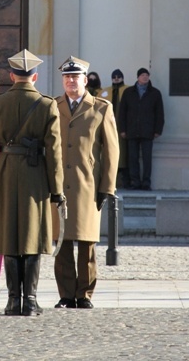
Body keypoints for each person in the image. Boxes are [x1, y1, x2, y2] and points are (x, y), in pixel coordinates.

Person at [0, 49, 64, 317]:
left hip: (5, 171)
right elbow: (54, 152)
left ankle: (12, 300)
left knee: (8, 236)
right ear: (35, 77)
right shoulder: (47, 104)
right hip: (34, 174)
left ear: (11, 76)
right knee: (33, 236)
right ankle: (30, 300)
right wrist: (57, 189)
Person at [53, 56, 119, 309]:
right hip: (59, 184)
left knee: (86, 242)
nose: (71, 81)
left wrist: (107, 187)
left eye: (75, 77)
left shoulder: (101, 108)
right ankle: (66, 294)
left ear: (85, 80)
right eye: (67, 77)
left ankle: (85, 294)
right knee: (62, 242)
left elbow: (112, 151)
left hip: (87, 184)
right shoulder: (53, 106)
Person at [118, 67, 164, 191]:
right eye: (142, 75)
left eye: (146, 75)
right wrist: (122, 129)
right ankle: (135, 182)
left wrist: (158, 130)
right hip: (131, 131)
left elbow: (160, 113)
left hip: (148, 131)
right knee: (132, 158)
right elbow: (122, 112)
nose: (145, 77)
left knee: (147, 158)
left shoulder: (155, 93)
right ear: (138, 77)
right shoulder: (128, 92)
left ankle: (146, 182)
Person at [101, 69, 130, 188]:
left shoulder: (127, 91)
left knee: (125, 155)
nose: (117, 78)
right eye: (114, 76)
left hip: (123, 128)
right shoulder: (105, 92)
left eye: (119, 76)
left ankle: (125, 181)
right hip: (108, 126)